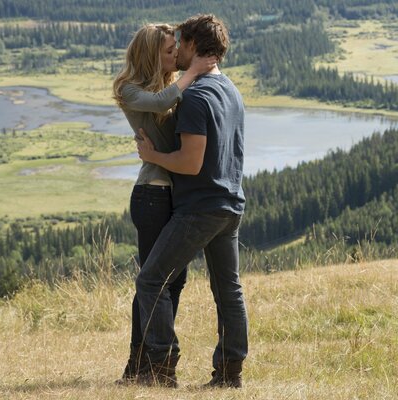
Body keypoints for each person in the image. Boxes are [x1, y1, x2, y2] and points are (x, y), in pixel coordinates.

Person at [133, 14, 248, 388]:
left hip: (200, 208)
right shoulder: (230, 90)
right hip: (230, 204)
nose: (177, 50)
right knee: (228, 291)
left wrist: (153, 156)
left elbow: (191, 162)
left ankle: (162, 368)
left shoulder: (196, 97)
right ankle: (230, 375)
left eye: (181, 42)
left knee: (151, 280)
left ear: (194, 46)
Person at [111, 23, 216, 384]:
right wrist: (193, 71)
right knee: (153, 280)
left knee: (173, 281)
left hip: (173, 196)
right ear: (150, 55)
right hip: (152, 195)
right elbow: (158, 104)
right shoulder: (130, 89)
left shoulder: (170, 88)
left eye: (176, 48)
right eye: (169, 50)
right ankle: (141, 364)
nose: (176, 54)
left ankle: (149, 361)